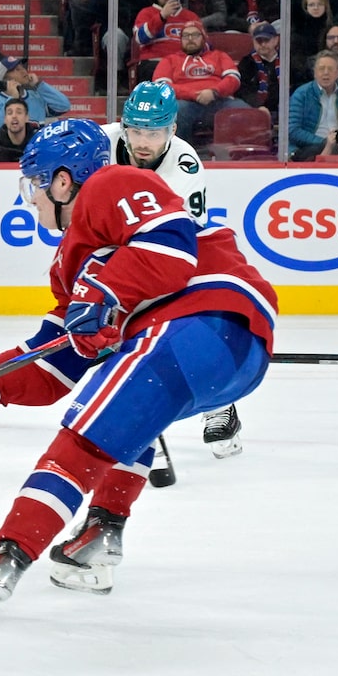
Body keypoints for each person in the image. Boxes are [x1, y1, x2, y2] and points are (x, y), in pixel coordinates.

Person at [0, 117, 276, 620]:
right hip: (228, 356)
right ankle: (98, 539)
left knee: (83, 436)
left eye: (36, 185)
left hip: (207, 322)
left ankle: (3, 565)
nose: (33, 199)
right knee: (131, 417)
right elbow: (52, 363)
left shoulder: (113, 184)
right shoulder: (71, 261)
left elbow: (172, 247)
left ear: (64, 181)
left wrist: (105, 294)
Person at [106, 81, 247, 454]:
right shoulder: (103, 141)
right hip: (117, 251)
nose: (141, 141)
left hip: (177, 256)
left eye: (153, 132)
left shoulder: (183, 166)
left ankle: (219, 405)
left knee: (184, 335)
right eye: (134, 129)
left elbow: (161, 242)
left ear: (172, 129)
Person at [152, 20, 249, 140]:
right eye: (186, 36)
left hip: (219, 100)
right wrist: (193, 94)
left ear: (204, 38)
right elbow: (162, 87)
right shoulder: (169, 60)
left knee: (243, 109)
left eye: (195, 35)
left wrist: (214, 92)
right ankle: (181, 154)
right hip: (185, 103)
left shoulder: (219, 55)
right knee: (174, 110)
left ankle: (236, 156)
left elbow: (233, 79)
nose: (190, 39)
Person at [288, 50, 338, 161]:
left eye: (330, 69)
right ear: (315, 72)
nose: (326, 73)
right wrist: (325, 141)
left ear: (337, 73)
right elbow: (292, 130)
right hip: (309, 148)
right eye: (321, 69)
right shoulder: (301, 94)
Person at [133, 0, 203, 82]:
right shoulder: (146, 13)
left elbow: (204, 44)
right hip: (155, 61)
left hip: (185, 62)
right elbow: (140, 38)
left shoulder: (191, 16)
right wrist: (162, 16)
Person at [0, 57, 71, 131]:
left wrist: (39, 85)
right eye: (17, 70)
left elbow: (64, 106)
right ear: (5, 78)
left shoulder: (35, 96)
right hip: (10, 150)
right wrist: (13, 99)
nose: (23, 71)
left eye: (23, 67)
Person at [236, 22, 281, 120]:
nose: (263, 44)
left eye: (266, 40)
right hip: (255, 110)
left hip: (285, 109)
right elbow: (242, 90)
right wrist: (257, 105)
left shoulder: (288, 60)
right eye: (259, 41)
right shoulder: (246, 62)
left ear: (276, 40)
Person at [0, 97, 38, 163]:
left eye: (19, 112)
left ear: (27, 118)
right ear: (5, 119)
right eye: (10, 113)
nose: (14, 116)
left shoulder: (37, 142)